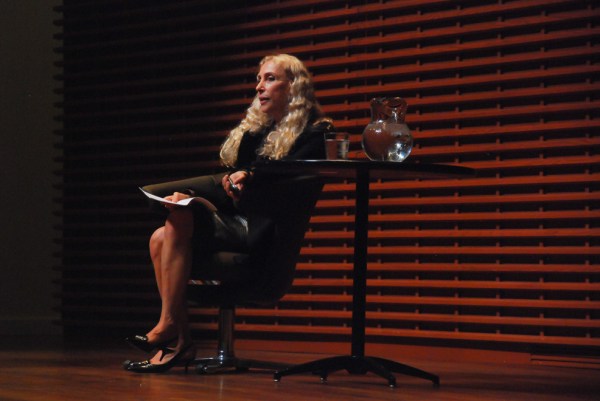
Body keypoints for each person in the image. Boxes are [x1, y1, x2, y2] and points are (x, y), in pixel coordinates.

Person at [123, 54, 334, 373]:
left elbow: (285, 183)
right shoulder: (255, 134)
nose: (260, 86)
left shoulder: (315, 134)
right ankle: (177, 340)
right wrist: (220, 187)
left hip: (261, 232)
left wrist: (249, 178)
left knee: (165, 231)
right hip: (235, 220)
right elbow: (237, 189)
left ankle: (174, 337)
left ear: (294, 86)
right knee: (163, 230)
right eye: (259, 79)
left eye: (270, 79)